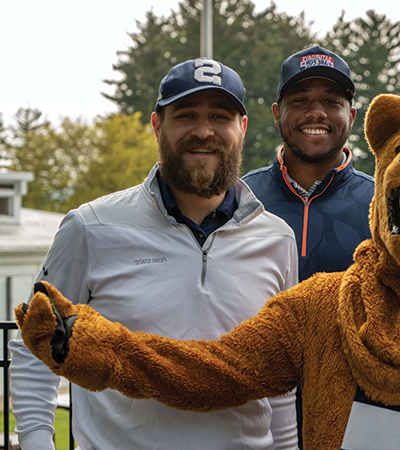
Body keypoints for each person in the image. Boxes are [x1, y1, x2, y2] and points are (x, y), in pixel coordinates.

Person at [9, 58, 300, 450]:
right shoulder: (90, 227)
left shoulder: (277, 239)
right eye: (185, 115)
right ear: (157, 125)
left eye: (220, 116)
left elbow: (278, 376)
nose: (203, 130)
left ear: (242, 128)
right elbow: (35, 344)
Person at [242, 46, 373, 282]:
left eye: (331, 101)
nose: (316, 113)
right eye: (300, 100)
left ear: (352, 116)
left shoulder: (381, 203)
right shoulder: (240, 198)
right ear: (277, 114)